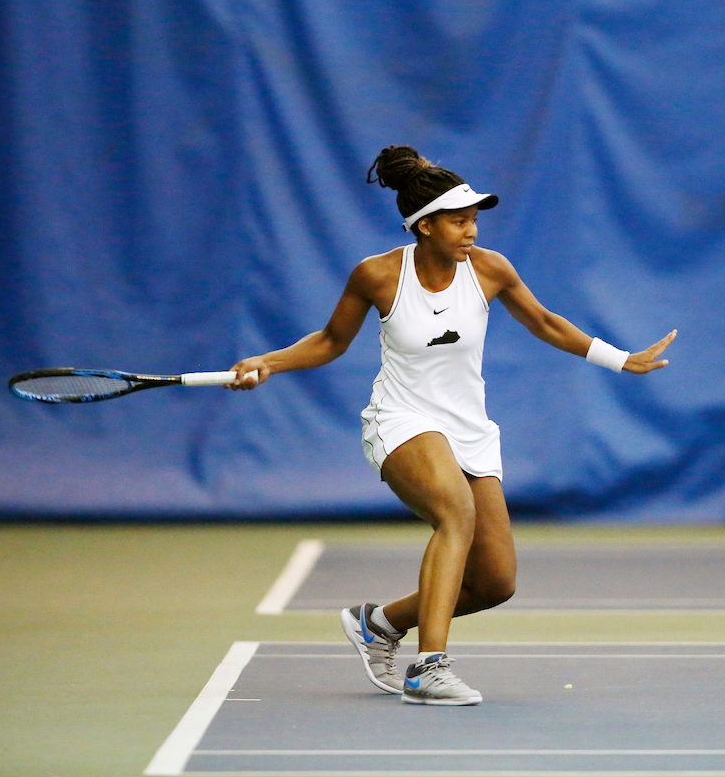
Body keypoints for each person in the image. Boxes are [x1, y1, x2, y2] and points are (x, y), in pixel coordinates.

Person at [228, 145, 676, 706]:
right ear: (425, 226)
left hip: (470, 431)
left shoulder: (490, 268)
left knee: (494, 582)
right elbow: (329, 341)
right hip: (401, 419)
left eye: (473, 220)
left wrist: (621, 359)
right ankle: (428, 668)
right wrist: (268, 361)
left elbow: (544, 322)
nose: (472, 231)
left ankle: (379, 623)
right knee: (455, 512)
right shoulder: (378, 275)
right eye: (459, 221)